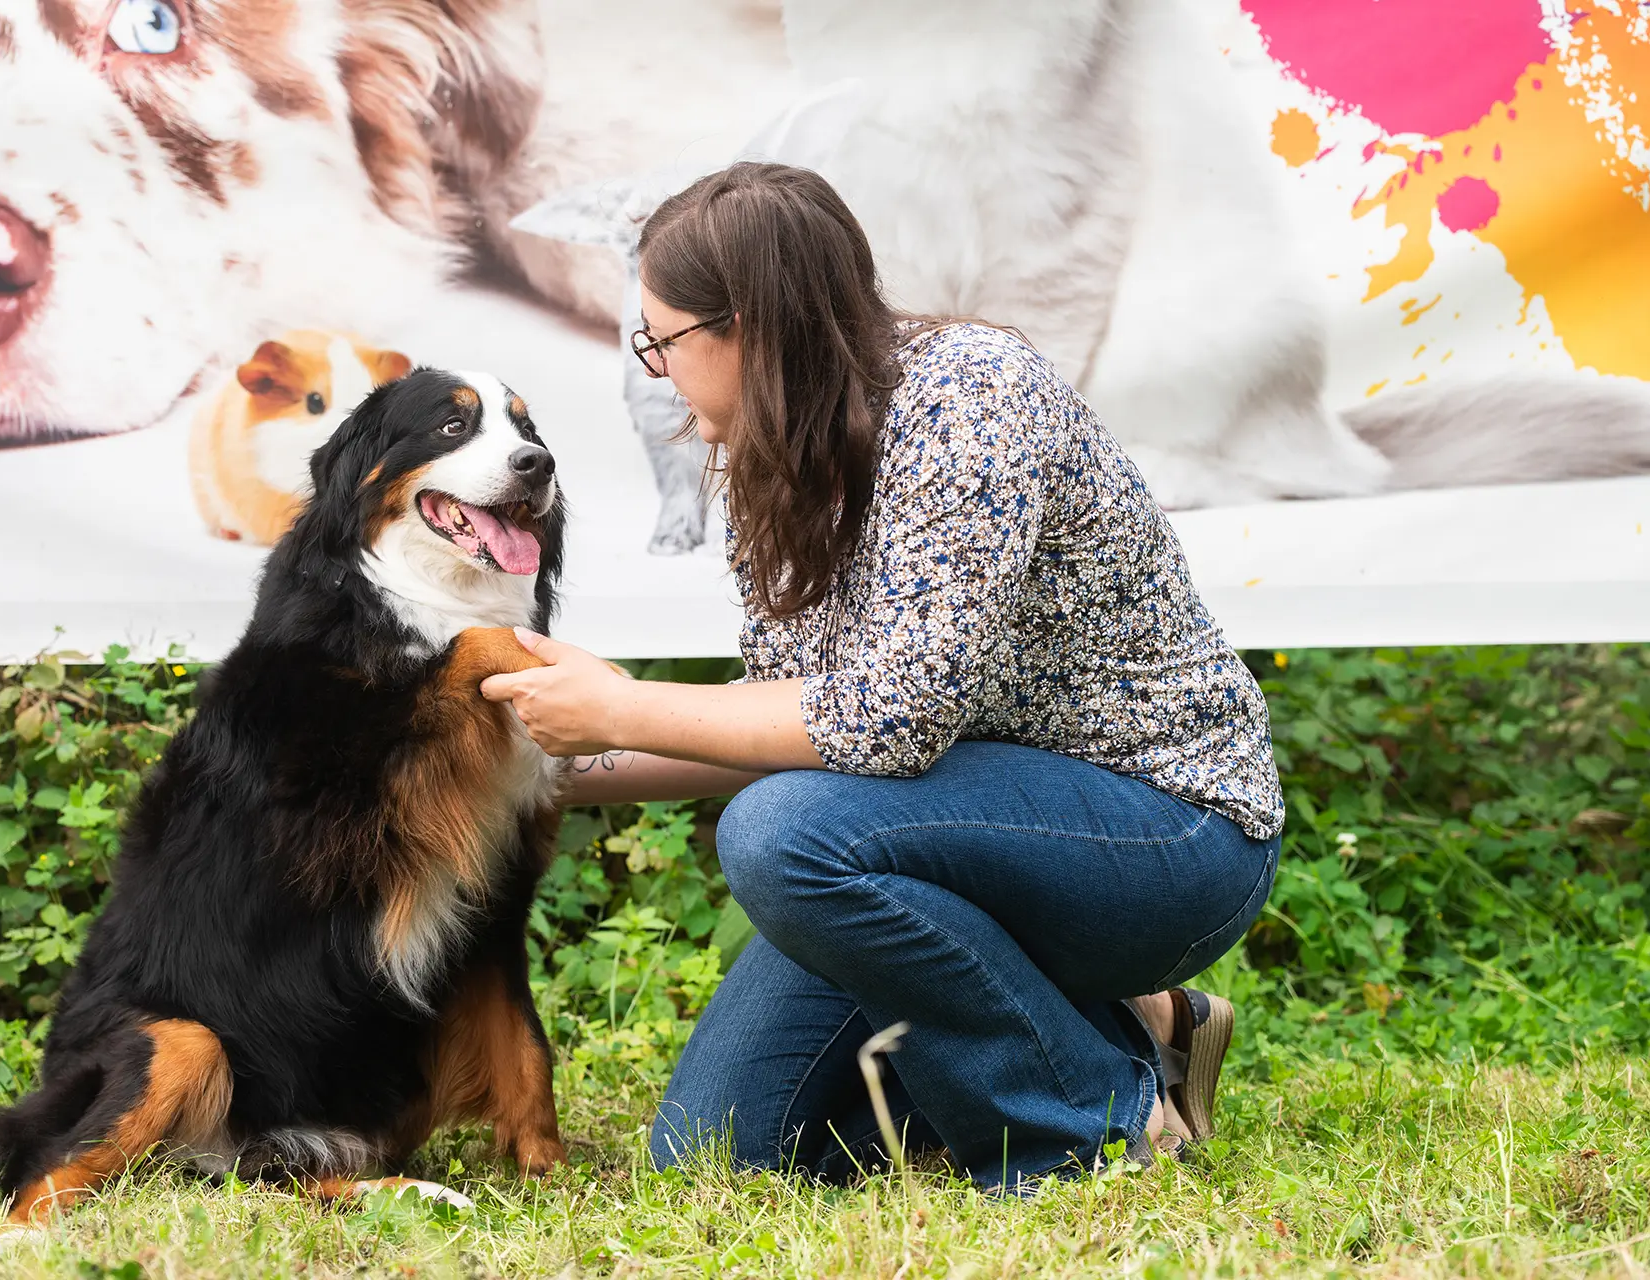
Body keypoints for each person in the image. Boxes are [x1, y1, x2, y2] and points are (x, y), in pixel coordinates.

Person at [479, 162, 1283, 1192]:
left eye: (663, 340)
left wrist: (622, 701)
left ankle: (1098, 1124)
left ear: (751, 328)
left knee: (779, 834)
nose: (656, 371)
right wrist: (533, 761)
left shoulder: (971, 400)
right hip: (955, 840)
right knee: (716, 1150)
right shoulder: (776, 461)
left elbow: (886, 724)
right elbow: (785, 724)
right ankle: (1140, 1027)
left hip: (1167, 831)